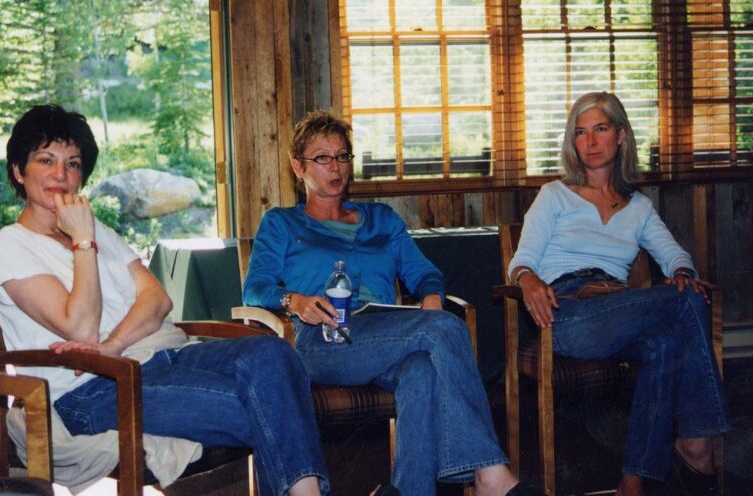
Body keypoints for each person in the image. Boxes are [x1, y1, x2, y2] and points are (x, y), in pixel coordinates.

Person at [0, 104, 329, 496]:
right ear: (18, 170)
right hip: (89, 391)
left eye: (73, 163)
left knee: (274, 355)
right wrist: (82, 240)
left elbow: (158, 300)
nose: (61, 176)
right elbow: (79, 326)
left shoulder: (96, 229)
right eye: (46, 160)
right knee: (271, 405)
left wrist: (113, 344)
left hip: (158, 356)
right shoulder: (10, 245)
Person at [243, 110, 540, 496]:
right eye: (322, 158)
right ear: (298, 166)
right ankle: (489, 474)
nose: (335, 167)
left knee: (421, 371)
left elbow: (424, 273)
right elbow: (255, 288)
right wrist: (294, 300)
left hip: (386, 334)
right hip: (324, 339)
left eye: (342, 156)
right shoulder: (281, 223)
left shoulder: (382, 219)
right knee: (445, 327)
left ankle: (411, 490)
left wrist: (431, 295)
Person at [507, 92, 729, 496]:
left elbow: (675, 254)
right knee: (688, 299)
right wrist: (527, 279)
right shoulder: (554, 194)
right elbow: (521, 261)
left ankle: (633, 479)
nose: (590, 141)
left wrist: (681, 270)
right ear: (572, 143)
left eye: (600, 129)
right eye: (580, 132)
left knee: (667, 336)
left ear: (621, 135)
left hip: (619, 310)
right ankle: (700, 439)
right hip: (568, 311)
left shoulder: (638, 207)